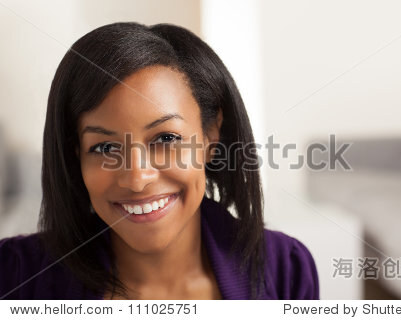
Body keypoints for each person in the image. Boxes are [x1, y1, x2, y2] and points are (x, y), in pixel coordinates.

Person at [0, 22, 319, 300]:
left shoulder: (286, 269)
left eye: (166, 139)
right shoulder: (14, 274)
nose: (137, 178)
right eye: (104, 147)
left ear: (210, 135)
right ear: (75, 156)